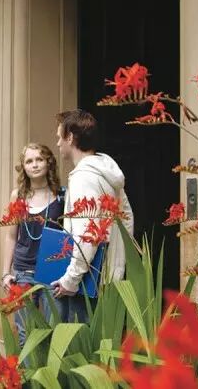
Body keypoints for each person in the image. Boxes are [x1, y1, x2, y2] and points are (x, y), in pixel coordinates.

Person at [51, 109, 134, 323]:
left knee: (80, 340)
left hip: (87, 281)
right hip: (107, 274)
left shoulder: (84, 177)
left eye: (60, 137)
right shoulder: (106, 172)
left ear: (70, 137)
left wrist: (71, 280)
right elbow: (127, 219)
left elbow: (88, 235)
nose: (58, 143)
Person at [1, 143, 64, 345]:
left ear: (48, 162)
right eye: (29, 161)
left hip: (53, 273)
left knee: (54, 331)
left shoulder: (61, 195)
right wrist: (5, 272)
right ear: (24, 167)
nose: (35, 165)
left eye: (39, 159)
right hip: (23, 272)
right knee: (25, 334)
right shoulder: (18, 196)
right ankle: (28, 368)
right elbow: (11, 236)